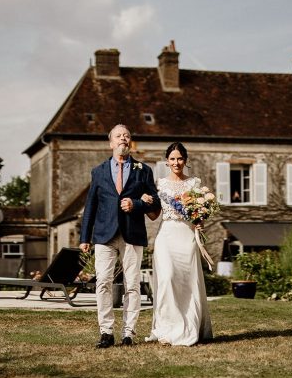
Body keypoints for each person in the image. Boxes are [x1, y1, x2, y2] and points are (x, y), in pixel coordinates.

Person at [80, 124, 160, 348]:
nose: (123, 138)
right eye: (119, 136)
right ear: (111, 143)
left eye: (127, 135)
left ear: (130, 142)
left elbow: (155, 202)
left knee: (132, 284)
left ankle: (128, 333)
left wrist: (135, 204)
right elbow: (91, 206)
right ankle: (106, 332)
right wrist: (84, 237)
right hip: (104, 235)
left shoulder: (143, 170)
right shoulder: (98, 171)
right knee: (103, 283)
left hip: (132, 234)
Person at [142, 142, 213, 346]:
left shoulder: (194, 184)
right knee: (167, 279)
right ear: (167, 161)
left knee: (187, 283)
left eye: (180, 159)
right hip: (166, 236)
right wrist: (147, 202)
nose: (176, 162)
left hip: (186, 236)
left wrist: (200, 221)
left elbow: (200, 214)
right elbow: (154, 216)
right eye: (172, 159)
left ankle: (189, 326)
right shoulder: (160, 184)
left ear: (185, 161)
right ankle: (166, 329)